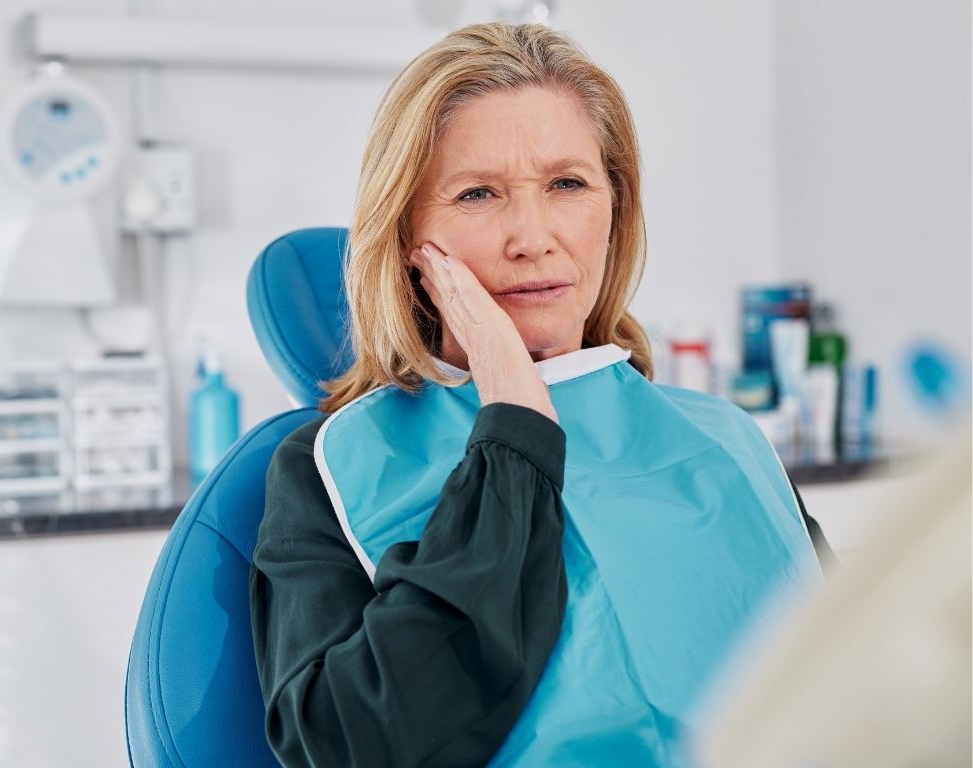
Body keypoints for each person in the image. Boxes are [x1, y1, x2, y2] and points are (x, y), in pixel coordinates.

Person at [250, 22, 834, 768]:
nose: (532, 236)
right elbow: (352, 743)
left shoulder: (725, 435)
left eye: (566, 184)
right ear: (406, 236)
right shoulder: (329, 465)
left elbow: (853, 678)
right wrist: (514, 430)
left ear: (613, 211)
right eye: (478, 194)